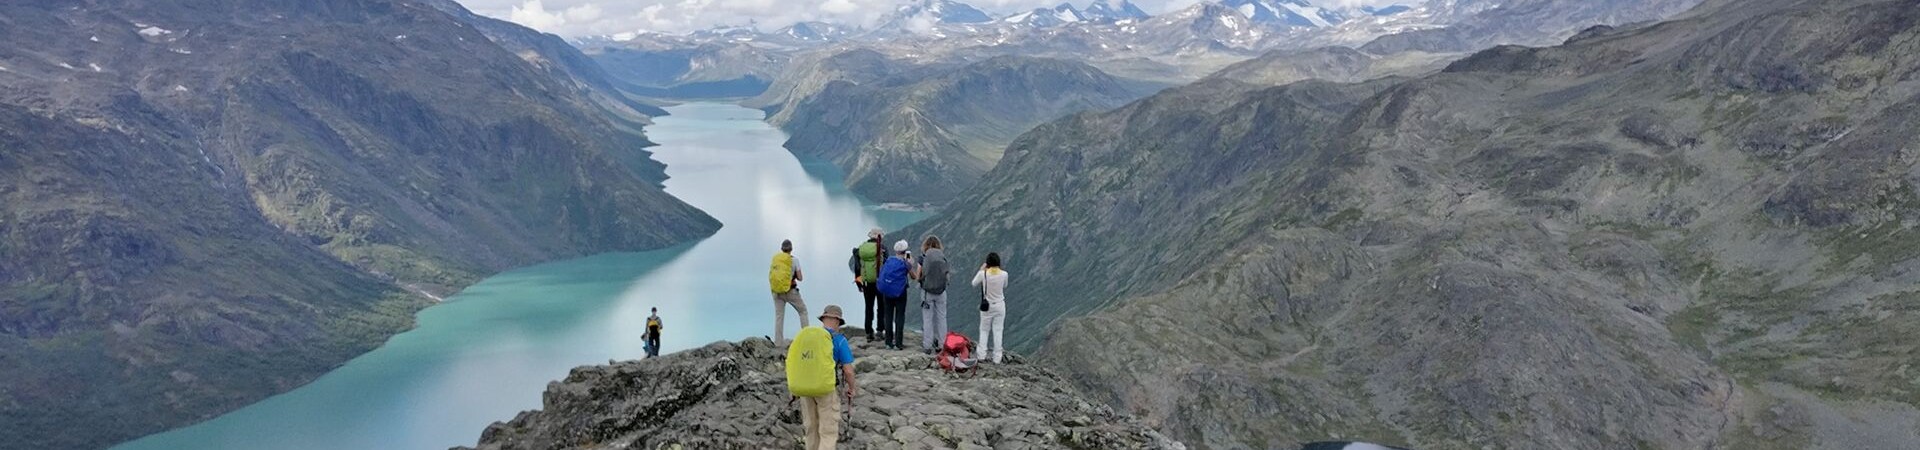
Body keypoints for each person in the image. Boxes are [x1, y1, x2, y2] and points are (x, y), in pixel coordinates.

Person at [799, 305, 858, 450]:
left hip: (805, 387)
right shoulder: (839, 340)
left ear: (823, 319)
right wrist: (852, 388)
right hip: (826, 388)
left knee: (811, 428)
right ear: (837, 321)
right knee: (828, 431)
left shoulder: (808, 337)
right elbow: (848, 371)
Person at [914, 236, 950, 354]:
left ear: (925, 245)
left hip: (927, 292)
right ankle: (941, 345)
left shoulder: (923, 257)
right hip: (941, 292)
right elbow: (947, 274)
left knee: (928, 319)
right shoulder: (942, 256)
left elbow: (918, 275)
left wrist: (920, 280)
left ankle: (927, 346)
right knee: (941, 318)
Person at [876, 240, 914, 350]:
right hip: (900, 293)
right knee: (899, 316)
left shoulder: (889, 260)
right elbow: (914, 276)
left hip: (887, 292)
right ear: (905, 251)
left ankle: (888, 342)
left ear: (896, 251)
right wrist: (910, 264)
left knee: (888, 316)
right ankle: (898, 343)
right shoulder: (906, 263)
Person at [771, 239, 810, 345]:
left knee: (779, 316)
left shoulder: (776, 259)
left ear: (781, 249)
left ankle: (778, 343)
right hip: (790, 291)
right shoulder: (794, 260)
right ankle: (806, 338)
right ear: (791, 249)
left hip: (777, 291)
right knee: (803, 311)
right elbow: (800, 278)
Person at [971, 253, 1008, 363]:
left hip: (987, 306)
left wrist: (981, 270)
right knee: (998, 330)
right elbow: (1005, 285)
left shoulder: (984, 274)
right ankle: (997, 358)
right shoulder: (1004, 274)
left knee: (984, 330)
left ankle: (981, 355)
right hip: (1000, 305)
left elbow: (973, 283)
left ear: (987, 263)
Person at [849, 229, 885, 342]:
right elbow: (887, 266)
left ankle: (869, 332)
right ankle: (880, 331)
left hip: (866, 283)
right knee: (881, 306)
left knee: (868, 307)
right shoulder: (882, 249)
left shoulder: (861, 250)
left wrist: (859, 284)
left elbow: (857, 268)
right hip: (880, 282)